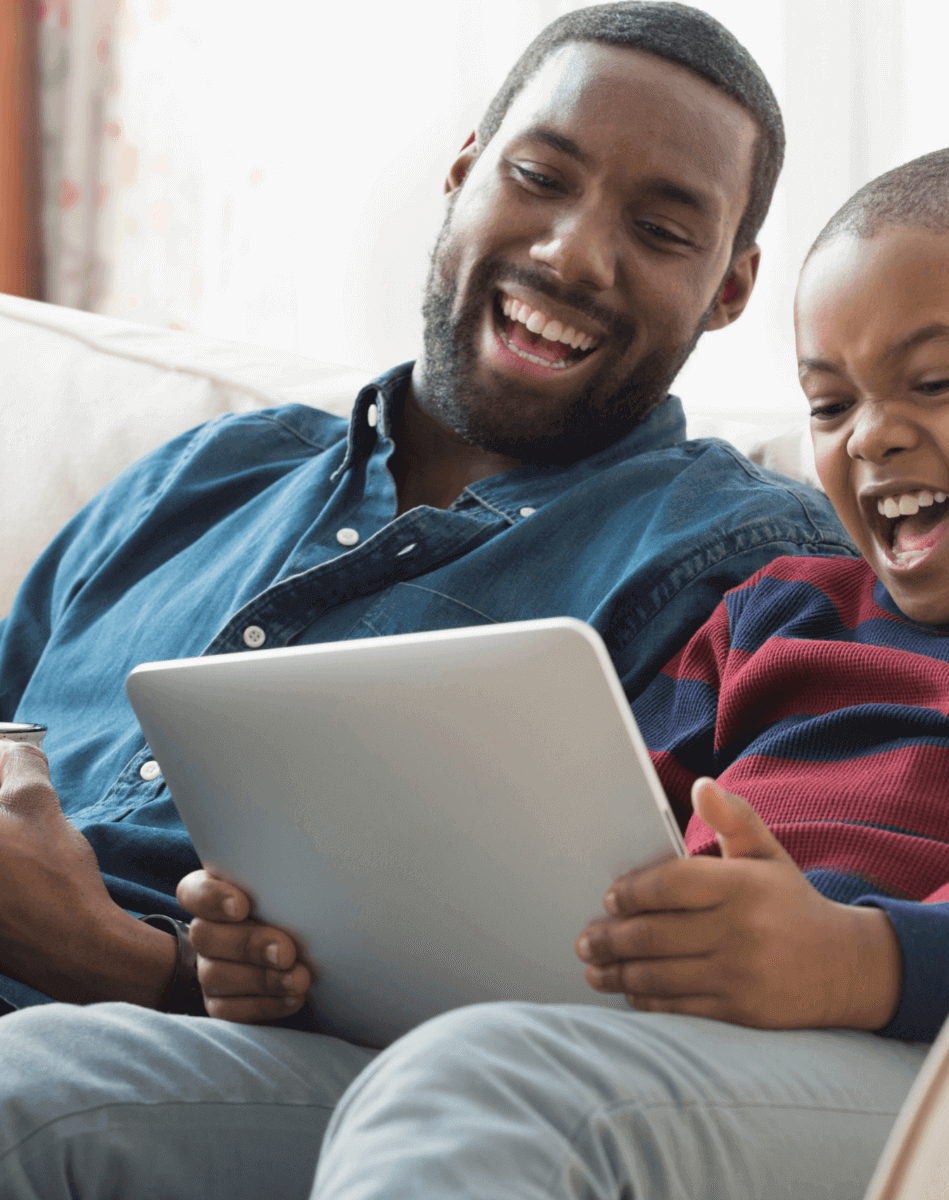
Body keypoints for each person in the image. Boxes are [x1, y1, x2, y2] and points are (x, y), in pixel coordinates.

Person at [8, 144, 949, 1198]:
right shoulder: (779, 605)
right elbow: (587, 855)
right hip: (608, 1051)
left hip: (929, 1074)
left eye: (932, 383)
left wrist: (855, 959)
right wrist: (308, 953)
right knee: (43, 1077)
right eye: (828, 403)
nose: (869, 435)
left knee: (485, 1083)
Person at [0, 3, 854, 1017]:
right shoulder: (204, 473)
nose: (574, 257)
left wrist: (124, 964)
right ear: (463, 172)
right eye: (538, 178)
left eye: (663, 231)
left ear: (730, 288)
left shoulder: (742, 561)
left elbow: (581, 1003)